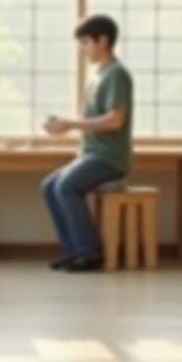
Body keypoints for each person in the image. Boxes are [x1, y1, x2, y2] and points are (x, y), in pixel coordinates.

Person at [40, 14, 134, 273]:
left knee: (66, 187)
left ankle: (88, 253)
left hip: (109, 157)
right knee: (49, 186)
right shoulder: (98, 75)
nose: (81, 50)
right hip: (91, 154)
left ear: (102, 41)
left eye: (84, 43)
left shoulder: (116, 74)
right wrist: (65, 124)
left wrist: (70, 124)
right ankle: (73, 250)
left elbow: (115, 121)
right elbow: (95, 120)